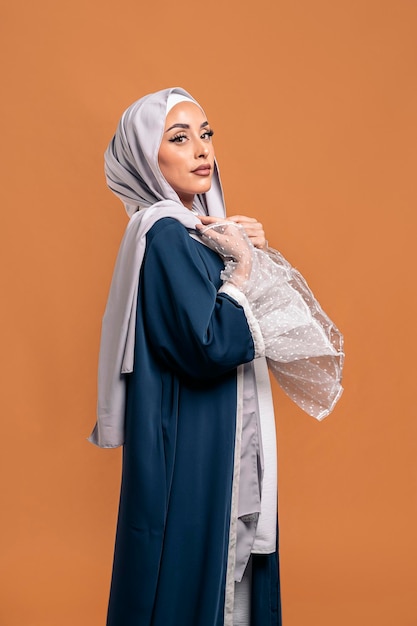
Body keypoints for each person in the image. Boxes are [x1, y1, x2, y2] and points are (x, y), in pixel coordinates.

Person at [89, 88, 343, 626]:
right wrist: (245, 269)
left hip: (211, 433)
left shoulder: (192, 234)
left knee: (220, 575)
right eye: (179, 138)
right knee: (195, 570)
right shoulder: (165, 235)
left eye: (206, 135)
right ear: (144, 157)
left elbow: (251, 327)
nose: (202, 149)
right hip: (194, 439)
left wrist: (247, 251)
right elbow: (215, 345)